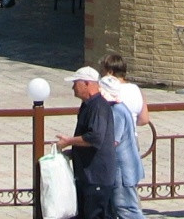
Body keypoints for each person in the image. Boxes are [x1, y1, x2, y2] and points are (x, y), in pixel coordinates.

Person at [57, 66, 119, 219]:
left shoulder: (98, 106)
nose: (73, 87)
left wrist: (69, 141)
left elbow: (95, 138)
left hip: (97, 177)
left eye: (75, 83)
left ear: (87, 83)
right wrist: (74, 151)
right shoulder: (87, 105)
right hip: (87, 176)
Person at [98, 55, 148, 219]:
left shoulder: (112, 94)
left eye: (103, 72)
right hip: (133, 142)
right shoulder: (135, 89)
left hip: (119, 148)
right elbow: (144, 119)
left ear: (110, 72)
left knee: (123, 202)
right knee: (127, 193)